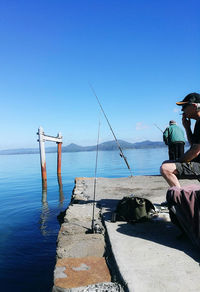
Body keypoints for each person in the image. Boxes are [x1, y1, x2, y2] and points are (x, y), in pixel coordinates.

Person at [160, 92, 200, 188]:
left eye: (185, 106)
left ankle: (180, 198)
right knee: (166, 164)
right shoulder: (198, 123)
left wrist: (178, 161)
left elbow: (196, 151)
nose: (182, 110)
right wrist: (187, 128)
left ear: (194, 106)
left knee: (165, 168)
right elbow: (193, 145)